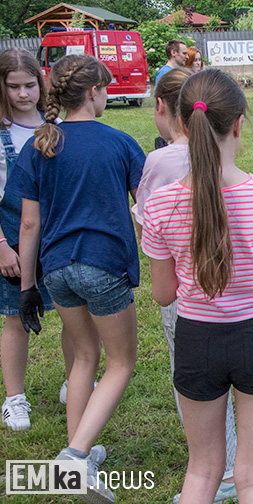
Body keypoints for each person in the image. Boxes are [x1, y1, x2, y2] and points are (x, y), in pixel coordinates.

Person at [142, 69, 253, 503]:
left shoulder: (158, 203)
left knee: (202, 470)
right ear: (237, 123)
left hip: (197, 340)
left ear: (183, 123)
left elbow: (163, 294)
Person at [10, 54, 144, 504]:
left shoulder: (39, 146)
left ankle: (76, 461)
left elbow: (29, 225)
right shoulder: (121, 143)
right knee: (122, 362)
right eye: (106, 89)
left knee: (84, 356)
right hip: (104, 266)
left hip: (57, 271)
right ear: (93, 93)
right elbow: (147, 210)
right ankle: (76, 453)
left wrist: (29, 287)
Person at [133, 67, 238, 503]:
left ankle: (217, 466)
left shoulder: (159, 175)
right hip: (247, 323)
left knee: (197, 398)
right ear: (235, 123)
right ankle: (230, 468)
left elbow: (162, 287)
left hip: (189, 313)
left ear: (172, 114)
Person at [0, 47, 74, 431]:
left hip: (58, 236)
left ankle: (73, 382)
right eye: (14, 87)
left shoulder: (56, 125)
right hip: (13, 240)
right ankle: (14, 398)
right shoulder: (1, 132)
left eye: (30, 85)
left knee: (73, 317)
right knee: (15, 318)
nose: (23, 94)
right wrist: (1, 246)